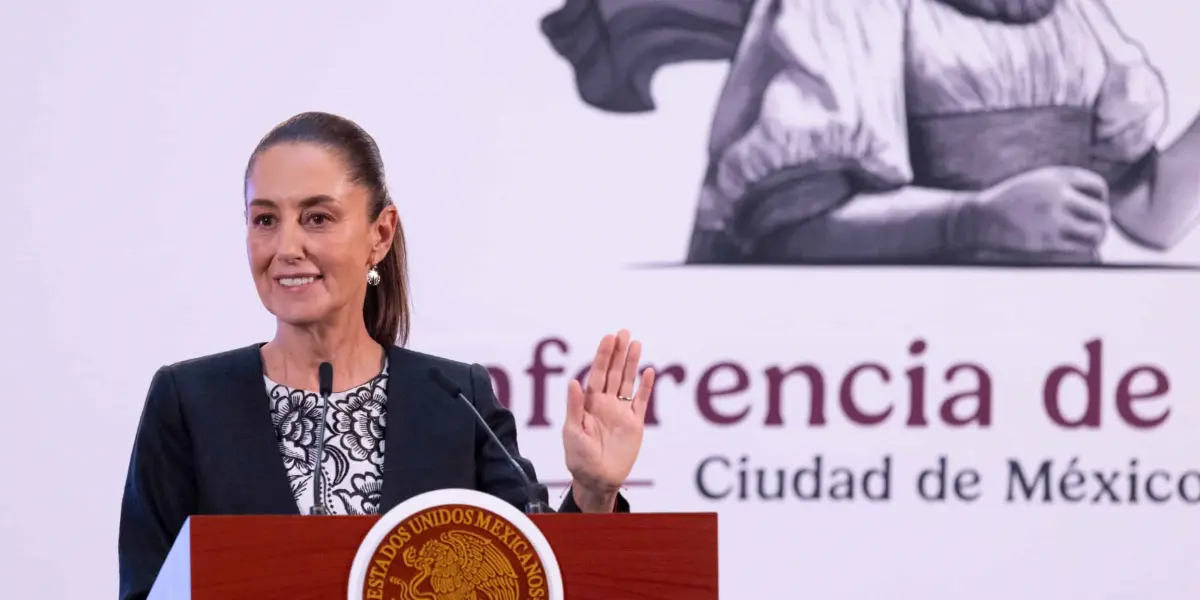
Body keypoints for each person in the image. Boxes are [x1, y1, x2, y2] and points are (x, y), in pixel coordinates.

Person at [117, 111, 657, 600]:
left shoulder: (456, 401)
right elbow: (147, 589)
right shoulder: (190, 402)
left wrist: (593, 490)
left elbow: (534, 578)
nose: (285, 247)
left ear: (380, 234)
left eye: (317, 218)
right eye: (264, 220)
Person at [541, 0, 1200, 265]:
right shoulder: (845, 8)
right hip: (864, 371)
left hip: (1029, 369)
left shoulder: (1074, 16)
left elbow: (1147, 214)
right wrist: (972, 220)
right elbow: (786, 226)